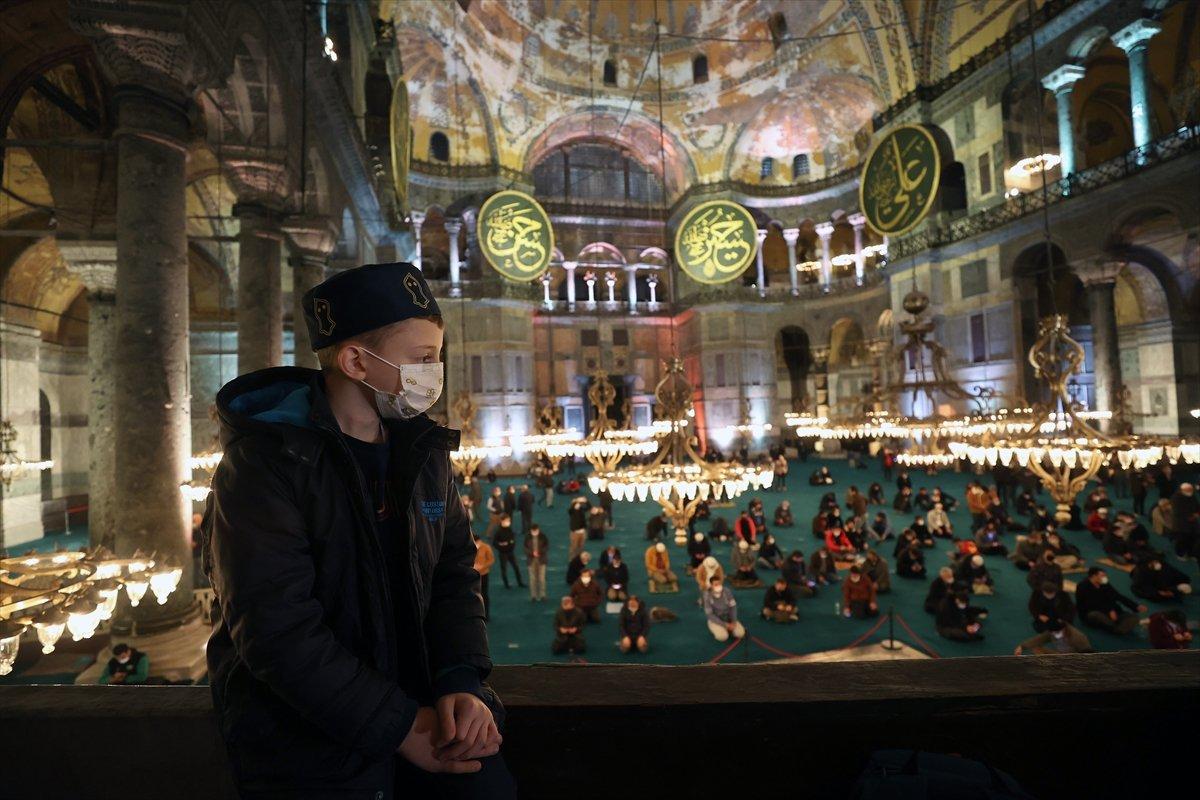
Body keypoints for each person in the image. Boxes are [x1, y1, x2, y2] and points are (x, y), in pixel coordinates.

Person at [205, 262, 512, 796]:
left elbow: (453, 576)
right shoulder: (265, 466)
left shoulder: (423, 452)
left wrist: (462, 680)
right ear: (355, 362)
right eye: (421, 360)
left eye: (436, 358)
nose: (433, 374)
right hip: (313, 741)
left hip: (428, 712)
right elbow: (277, 632)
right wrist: (398, 727)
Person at [1075, 568, 1145, 635]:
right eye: (1102, 576)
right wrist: (1109, 611)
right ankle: (1116, 627)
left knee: (1134, 617)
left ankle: (1117, 626)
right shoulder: (1083, 586)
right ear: (1094, 576)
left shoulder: (1104, 584)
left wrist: (1135, 606)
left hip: (1111, 611)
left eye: (1105, 576)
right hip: (1091, 611)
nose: (1105, 578)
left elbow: (1118, 596)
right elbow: (1091, 604)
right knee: (1095, 615)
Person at [703, 575, 745, 642]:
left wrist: (733, 621)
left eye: (719, 584)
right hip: (716, 620)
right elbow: (710, 614)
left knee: (740, 634)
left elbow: (733, 606)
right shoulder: (707, 596)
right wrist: (724, 625)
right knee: (722, 637)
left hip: (728, 618)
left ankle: (728, 629)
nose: (718, 586)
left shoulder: (727, 591)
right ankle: (715, 627)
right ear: (711, 586)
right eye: (716, 584)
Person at [1014, 620, 1094, 655]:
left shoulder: (1078, 637)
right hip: (1060, 655)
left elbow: (1088, 653)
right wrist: (1022, 646)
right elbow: (1038, 639)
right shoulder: (1052, 631)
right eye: (1052, 632)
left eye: (1056, 632)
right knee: (1036, 648)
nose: (1054, 634)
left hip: (1072, 659)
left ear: (1064, 629)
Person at [493, 514, 524, 589]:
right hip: (503, 553)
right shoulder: (498, 531)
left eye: (508, 521)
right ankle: (506, 584)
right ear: (502, 521)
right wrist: (501, 545)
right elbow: (494, 543)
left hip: (510, 552)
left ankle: (520, 583)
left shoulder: (510, 529)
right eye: (506, 521)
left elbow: (512, 539)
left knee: (516, 568)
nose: (508, 522)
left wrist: (511, 544)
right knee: (504, 569)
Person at [1170, 483, 1199, 558]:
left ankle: (1191, 553)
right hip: (1181, 525)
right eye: (1188, 490)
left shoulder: (1191, 496)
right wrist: (1192, 516)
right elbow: (1178, 512)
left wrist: (1197, 512)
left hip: (1193, 523)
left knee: (1193, 539)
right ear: (1182, 490)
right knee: (1181, 541)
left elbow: (1196, 505)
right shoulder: (1175, 498)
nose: (1191, 491)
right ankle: (1180, 554)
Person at [524, 523, 549, 602]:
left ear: (538, 530)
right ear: (531, 530)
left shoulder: (543, 536)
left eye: (536, 530)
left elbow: (546, 546)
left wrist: (539, 552)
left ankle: (543, 595)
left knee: (541, 579)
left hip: (541, 560)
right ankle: (533, 596)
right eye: (533, 531)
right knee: (533, 579)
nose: (535, 532)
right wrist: (532, 553)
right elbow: (525, 548)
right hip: (531, 560)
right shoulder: (527, 537)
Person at [473, 533, 494, 620]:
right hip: (473, 574)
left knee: (484, 594)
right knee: (473, 595)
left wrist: (483, 566)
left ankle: (486, 614)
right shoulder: (469, 547)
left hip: (484, 574)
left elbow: (491, 560)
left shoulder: (486, 547)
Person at [567, 496, 589, 560]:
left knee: (581, 546)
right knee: (574, 546)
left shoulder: (581, 510)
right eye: (577, 504)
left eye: (579, 504)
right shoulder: (572, 511)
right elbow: (570, 508)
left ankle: (579, 558)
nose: (578, 505)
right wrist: (576, 501)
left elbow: (589, 507)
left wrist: (586, 501)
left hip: (582, 531)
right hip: (575, 532)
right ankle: (572, 558)